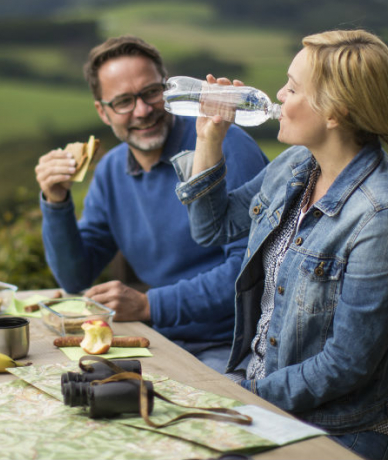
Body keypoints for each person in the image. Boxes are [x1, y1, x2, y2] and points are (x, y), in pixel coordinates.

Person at [172, 29, 388, 460]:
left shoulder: (385, 219)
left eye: (292, 87)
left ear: (334, 113)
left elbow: (346, 364)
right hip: (265, 399)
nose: (277, 95)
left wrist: (241, 394)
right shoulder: (296, 166)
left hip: (338, 430)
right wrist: (209, 138)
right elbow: (212, 229)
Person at [35, 35, 268, 372]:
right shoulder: (111, 172)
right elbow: (75, 276)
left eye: (150, 93)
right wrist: (55, 201)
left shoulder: (224, 144)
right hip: (155, 338)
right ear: (103, 112)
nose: (142, 111)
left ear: (167, 87)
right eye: (124, 101)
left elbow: (248, 272)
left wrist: (149, 305)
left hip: (231, 345)